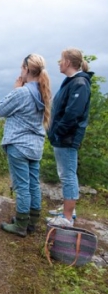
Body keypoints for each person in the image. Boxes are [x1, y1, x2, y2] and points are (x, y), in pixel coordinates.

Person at [0, 54, 52, 237]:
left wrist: (15, 89)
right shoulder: (43, 92)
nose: (20, 70)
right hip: (35, 146)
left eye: (22, 67)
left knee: (22, 186)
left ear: (27, 69)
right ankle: (32, 222)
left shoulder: (22, 92)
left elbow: (0, 110)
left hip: (18, 145)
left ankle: (20, 225)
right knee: (33, 185)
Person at [46, 48, 93, 227]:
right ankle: (67, 210)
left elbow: (73, 113)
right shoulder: (72, 81)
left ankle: (66, 218)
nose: (59, 62)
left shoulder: (79, 83)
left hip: (67, 138)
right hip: (62, 137)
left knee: (68, 175)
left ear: (67, 62)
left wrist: (58, 131)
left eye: (61, 59)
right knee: (65, 173)